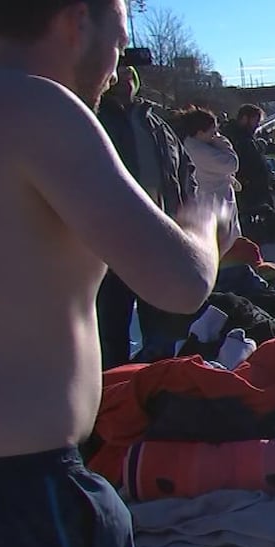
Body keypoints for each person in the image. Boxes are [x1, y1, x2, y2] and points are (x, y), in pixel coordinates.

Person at [0, 1, 232, 547]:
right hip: (23, 502)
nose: (116, 70)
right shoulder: (38, 107)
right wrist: (207, 221)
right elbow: (179, 282)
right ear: (73, 21)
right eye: (118, 43)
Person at [96, 64, 201, 366]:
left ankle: (155, 391)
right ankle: (115, 395)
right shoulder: (93, 120)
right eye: (119, 77)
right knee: (111, 329)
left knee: (162, 328)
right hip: (113, 247)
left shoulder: (157, 125)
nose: (126, 83)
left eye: (131, 77)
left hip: (161, 241)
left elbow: (185, 170)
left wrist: (186, 213)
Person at [178, 107, 241, 237]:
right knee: (225, 241)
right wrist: (224, 142)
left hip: (212, 202)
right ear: (200, 132)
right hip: (214, 204)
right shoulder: (199, 151)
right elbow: (232, 163)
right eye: (212, 132)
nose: (214, 135)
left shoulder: (197, 146)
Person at [222, 103, 272, 212]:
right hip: (246, 197)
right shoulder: (238, 139)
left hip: (252, 194)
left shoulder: (245, 138)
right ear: (245, 118)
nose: (257, 125)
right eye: (256, 121)